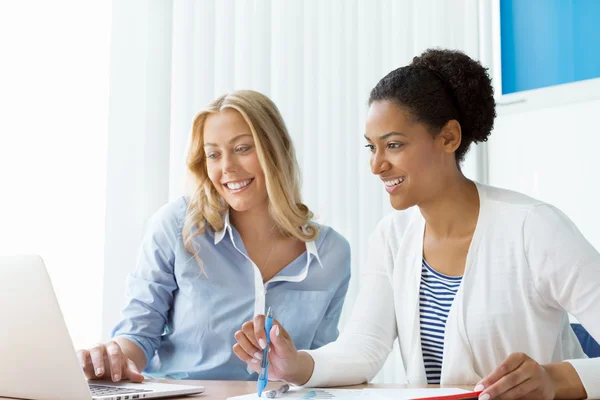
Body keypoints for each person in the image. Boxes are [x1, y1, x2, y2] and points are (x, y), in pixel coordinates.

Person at [233, 50, 600, 400]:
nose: (377, 165)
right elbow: (364, 346)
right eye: (371, 148)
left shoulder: (533, 228)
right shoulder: (392, 237)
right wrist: (295, 364)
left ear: (448, 137)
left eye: (393, 145)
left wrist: (554, 381)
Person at [77, 90, 351, 382]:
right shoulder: (176, 226)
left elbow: (322, 364)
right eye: (213, 154)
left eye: (243, 148)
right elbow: (139, 335)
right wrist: (112, 357)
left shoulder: (332, 253)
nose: (227, 167)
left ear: (277, 149)